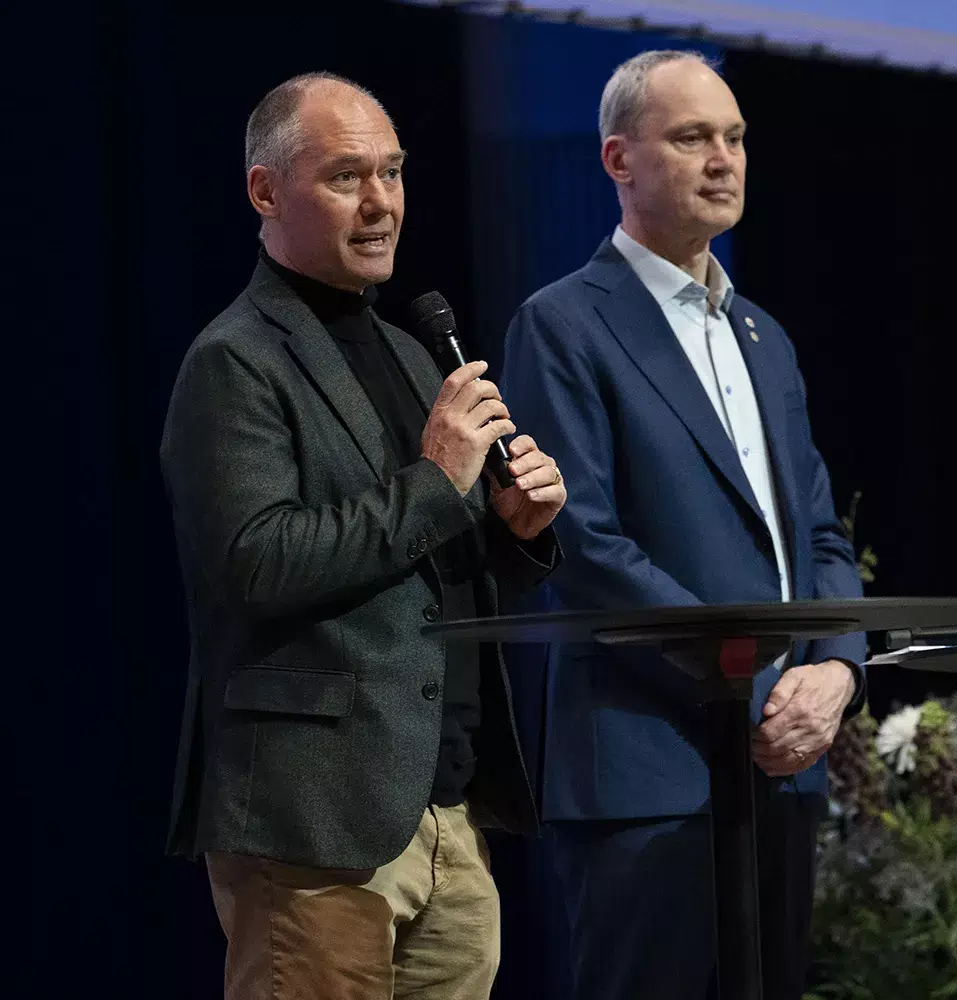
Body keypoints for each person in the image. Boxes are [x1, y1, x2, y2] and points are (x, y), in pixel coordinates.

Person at [160, 72, 565, 1000]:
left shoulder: (414, 350)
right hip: (316, 818)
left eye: (392, 172)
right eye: (347, 176)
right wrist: (436, 483)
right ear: (267, 192)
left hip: (444, 809)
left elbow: (424, 567)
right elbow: (256, 564)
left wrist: (511, 529)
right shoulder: (236, 360)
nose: (381, 202)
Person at [499, 50, 865, 1000]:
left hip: (783, 767)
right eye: (692, 137)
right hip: (649, 774)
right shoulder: (564, 324)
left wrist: (836, 671)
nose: (723, 158)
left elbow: (820, 536)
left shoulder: (765, 337)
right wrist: (751, 690)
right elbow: (583, 544)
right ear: (619, 159)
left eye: (735, 137)